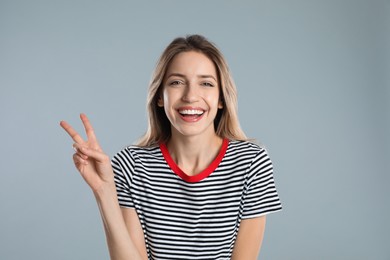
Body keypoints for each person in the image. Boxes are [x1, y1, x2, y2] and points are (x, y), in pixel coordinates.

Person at [60, 34, 282, 260]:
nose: (190, 96)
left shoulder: (252, 162)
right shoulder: (131, 165)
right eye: (176, 82)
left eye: (206, 83)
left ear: (221, 98)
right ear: (159, 96)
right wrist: (104, 191)